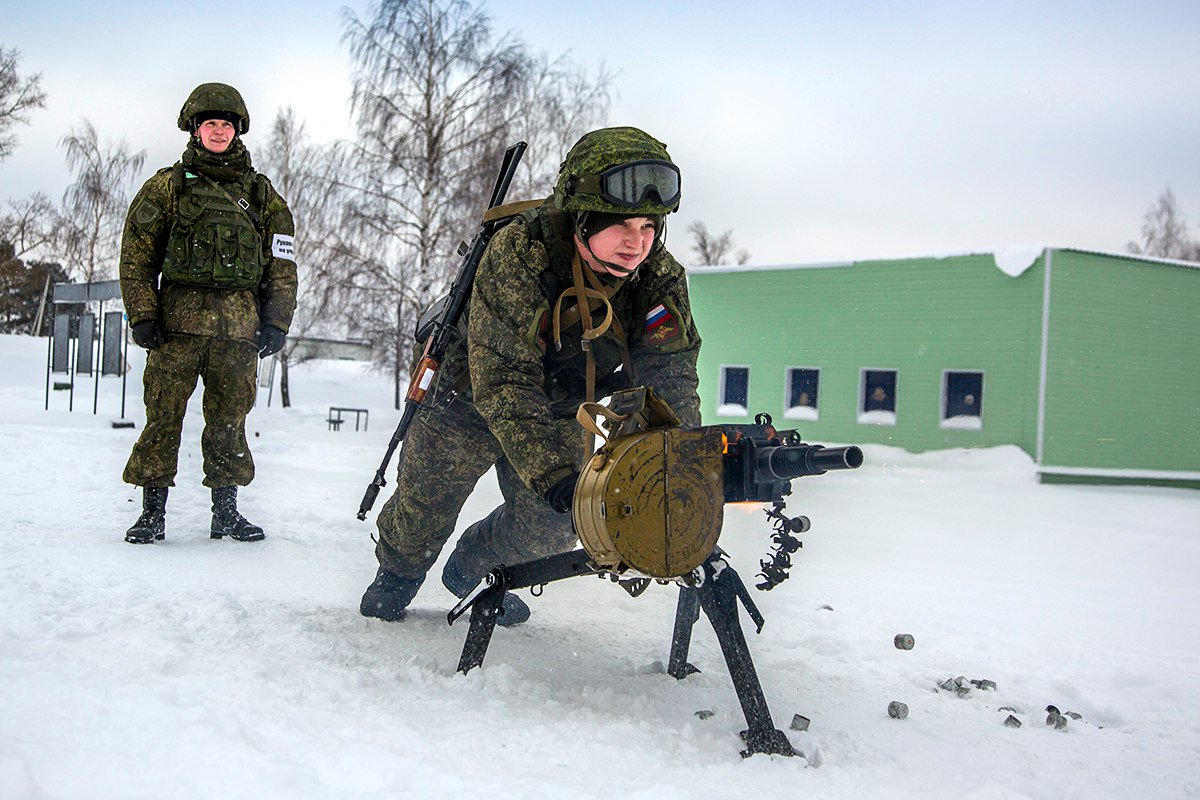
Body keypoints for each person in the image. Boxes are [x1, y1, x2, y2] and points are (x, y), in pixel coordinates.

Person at [360, 126, 701, 625]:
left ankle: (475, 571)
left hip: (562, 406)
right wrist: (552, 473)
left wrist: (680, 459)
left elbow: (670, 370)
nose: (637, 243)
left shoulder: (657, 276)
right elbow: (505, 380)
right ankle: (398, 574)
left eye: (649, 228)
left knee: (555, 523)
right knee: (423, 507)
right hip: (468, 396)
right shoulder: (520, 255)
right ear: (582, 219)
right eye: (623, 226)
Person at [119, 82, 298, 545]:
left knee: (229, 421)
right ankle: (151, 515)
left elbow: (282, 264)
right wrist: (142, 313)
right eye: (209, 123)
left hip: (238, 330)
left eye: (225, 124)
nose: (218, 131)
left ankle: (227, 512)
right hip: (175, 327)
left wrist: (277, 321)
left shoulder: (262, 196)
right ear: (195, 130)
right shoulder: (167, 186)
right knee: (162, 417)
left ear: (237, 131)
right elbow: (136, 256)